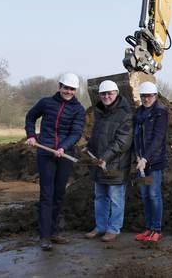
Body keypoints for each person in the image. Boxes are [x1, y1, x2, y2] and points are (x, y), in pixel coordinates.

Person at [25, 73, 86, 251]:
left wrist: (63, 147)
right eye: (66, 87)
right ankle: (44, 236)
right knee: (46, 195)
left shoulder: (79, 110)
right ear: (60, 87)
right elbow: (30, 117)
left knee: (59, 195)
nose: (68, 91)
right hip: (45, 153)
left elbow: (76, 133)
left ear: (75, 90)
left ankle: (54, 232)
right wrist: (31, 135)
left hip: (64, 156)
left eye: (72, 89)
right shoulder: (46, 103)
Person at [84, 80, 133, 243]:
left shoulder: (125, 114)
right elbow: (98, 136)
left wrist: (105, 157)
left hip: (115, 165)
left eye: (109, 93)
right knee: (100, 197)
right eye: (103, 94)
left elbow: (122, 142)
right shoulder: (100, 112)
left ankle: (114, 229)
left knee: (116, 198)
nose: (106, 96)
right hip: (100, 163)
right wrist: (89, 147)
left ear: (116, 94)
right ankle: (100, 226)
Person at [133, 81, 169, 243]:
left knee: (154, 195)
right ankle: (148, 228)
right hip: (141, 163)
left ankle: (156, 229)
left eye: (149, 96)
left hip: (154, 163)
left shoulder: (161, 113)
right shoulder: (138, 113)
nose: (146, 99)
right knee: (145, 195)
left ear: (155, 96)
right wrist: (137, 156)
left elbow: (157, 139)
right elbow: (136, 137)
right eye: (143, 96)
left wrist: (146, 158)